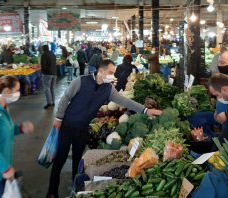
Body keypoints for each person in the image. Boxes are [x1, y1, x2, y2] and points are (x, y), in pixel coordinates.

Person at [47, 60, 162, 198]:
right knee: (60, 159)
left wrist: (145, 110)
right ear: (101, 71)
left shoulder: (108, 89)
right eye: (111, 72)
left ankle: (76, 190)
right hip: (67, 126)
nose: (113, 76)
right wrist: (58, 118)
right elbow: (65, 98)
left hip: (83, 129)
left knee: (78, 161)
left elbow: (125, 101)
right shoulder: (81, 81)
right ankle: (52, 192)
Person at [41, 45, 57, 109]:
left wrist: (43, 72)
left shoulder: (44, 55)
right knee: (52, 88)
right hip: (54, 73)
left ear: (43, 49)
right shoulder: (52, 54)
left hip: (47, 74)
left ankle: (49, 103)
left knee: (46, 88)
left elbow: (43, 65)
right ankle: (53, 102)